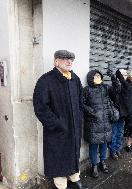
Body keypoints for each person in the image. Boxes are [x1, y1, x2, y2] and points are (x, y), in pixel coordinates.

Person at [33, 50, 88, 189]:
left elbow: (81, 100)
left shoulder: (74, 79)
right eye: (64, 59)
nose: (69, 61)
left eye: (71, 59)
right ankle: (61, 185)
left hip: (74, 127)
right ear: (56, 61)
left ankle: (75, 180)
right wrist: (57, 123)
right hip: (58, 130)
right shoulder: (46, 80)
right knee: (59, 157)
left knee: (73, 154)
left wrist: (79, 117)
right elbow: (40, 107)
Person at [82, 69, 115, 178]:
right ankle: (94, 166)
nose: (98, 78)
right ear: (91, 78)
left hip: (105, 121)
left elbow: (117, 91)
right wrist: (92, 112)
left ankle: (103, 162)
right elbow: (81, 103)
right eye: (95, 76)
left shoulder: (105, 88)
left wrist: (114, 78)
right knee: (94, 145)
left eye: (99, 76)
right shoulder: (87, 90)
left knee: (104, 144)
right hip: (93, 123)